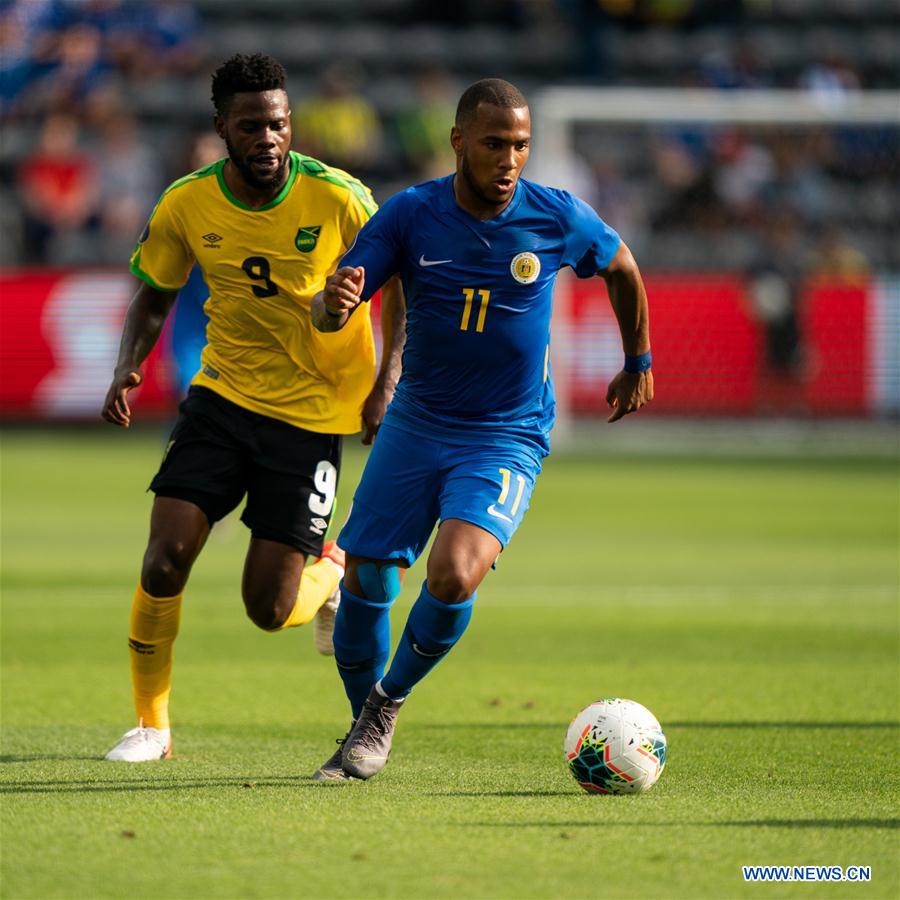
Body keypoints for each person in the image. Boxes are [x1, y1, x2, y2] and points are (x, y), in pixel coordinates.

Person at [309, 78, 652, 781]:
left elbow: (620, 267)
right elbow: (335, 305)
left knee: (455, 571)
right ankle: (361, 723)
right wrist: (332, 303)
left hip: (506, 433)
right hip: (418, 421)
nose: (509, 159)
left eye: (520, 145)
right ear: (459, 140)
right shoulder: (410, 214)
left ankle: (385, 705)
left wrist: (638, 358)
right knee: (371, 579)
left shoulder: (555, 217)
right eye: (495, 143)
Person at [100, 53, 404, 762]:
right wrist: (127, 365)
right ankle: (153, 726)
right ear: (222, 129)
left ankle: (335, 570)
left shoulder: (339, 197)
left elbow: (405, 282)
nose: (269, 138)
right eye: (252, 126)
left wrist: (387, 379)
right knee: (164, 558)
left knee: (268, 610)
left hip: (313, 414)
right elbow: (154, 290)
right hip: (224, 398)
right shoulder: (187, 202)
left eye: (279, 124)